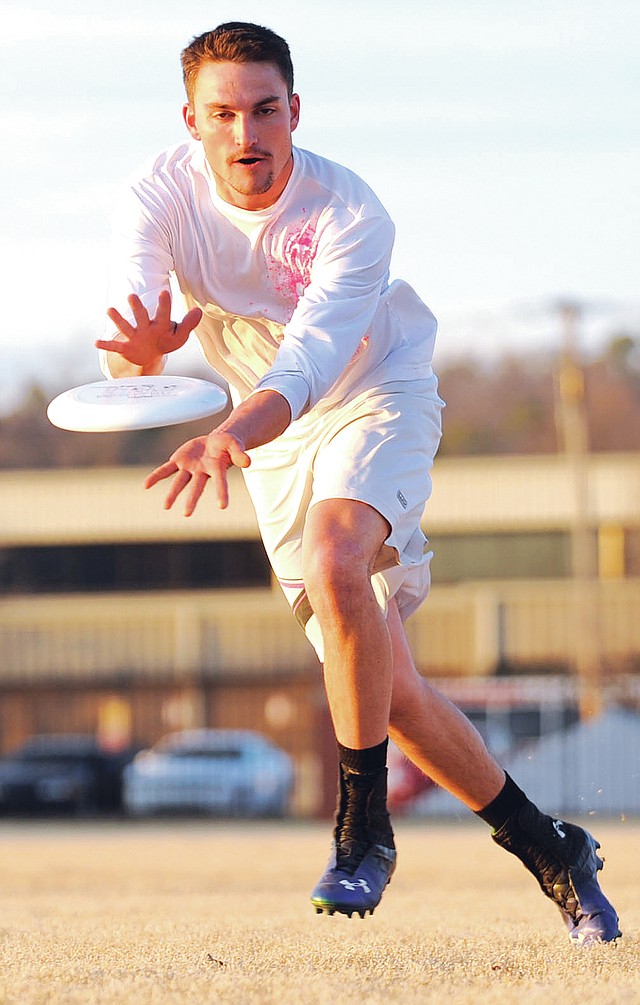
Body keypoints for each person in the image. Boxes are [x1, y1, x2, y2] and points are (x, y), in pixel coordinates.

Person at [97, 22, 620, 944]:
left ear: (294, 110)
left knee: (341, 552)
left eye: (265, 110)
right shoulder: (156, 196)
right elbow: (135, 331)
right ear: (192, 122)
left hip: (374, 391)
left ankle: (361, 830)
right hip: (268, 438)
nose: (247, 134)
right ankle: (552, 851)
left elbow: (305, 366)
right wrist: (134, 359)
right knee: (390, 690)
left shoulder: (350, 214)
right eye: (224, 114)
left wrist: (226, 432)